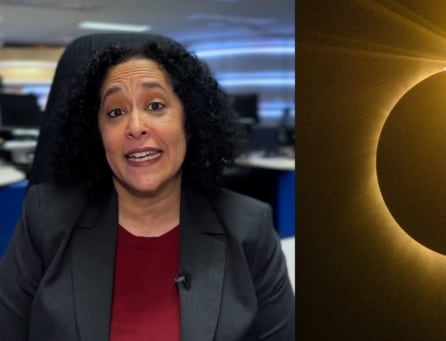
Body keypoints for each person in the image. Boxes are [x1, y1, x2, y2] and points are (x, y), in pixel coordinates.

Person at [0, 36, 294, 340]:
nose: (135, 126)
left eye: (155, 105)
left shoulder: (250, 228)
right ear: (97, 134)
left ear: (189, 121)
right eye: (115, 112)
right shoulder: (46, 219)